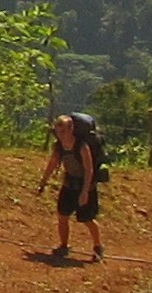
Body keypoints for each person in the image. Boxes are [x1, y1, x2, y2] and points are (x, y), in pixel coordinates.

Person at [36, 111, 106, 262]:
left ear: (71, 129)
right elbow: (52, 164)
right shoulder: (58, 147)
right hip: (69, 184)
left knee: (87, 219)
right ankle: (64, 245)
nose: (60, 135)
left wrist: (85, 192)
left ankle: (98, 246)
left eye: (63, 131)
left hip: (85, 185)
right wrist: (43, 182)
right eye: (58, 131)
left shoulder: (82, 146)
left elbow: (89, 170)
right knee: (62, 215)